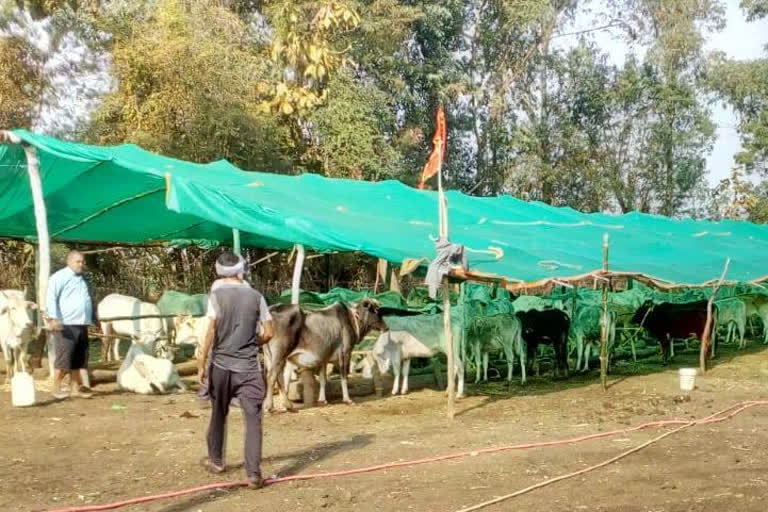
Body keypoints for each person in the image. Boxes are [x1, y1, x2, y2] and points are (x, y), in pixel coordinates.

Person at [198, 251, 273, 488]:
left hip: (220, 366)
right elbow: (269, 332)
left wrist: (202, 363)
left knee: (219, 413)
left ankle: (216, 461)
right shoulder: (257, 296)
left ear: (220, 272)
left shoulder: (216, 296)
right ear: (241, 271)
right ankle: (253, 474)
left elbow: (210, 331)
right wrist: (252, 342)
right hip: (249, 368)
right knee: (253, 420)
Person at [46, 250, 94, 400]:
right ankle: (56, 389)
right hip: (66, 324)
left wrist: (93, 319)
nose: (81, 264)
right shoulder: (59, 277)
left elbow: (88, 299)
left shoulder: (83, 278)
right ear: (69, 262)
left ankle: (74, 389)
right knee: (64, 358)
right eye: (78, 261)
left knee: (79, 359)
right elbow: (51, 297)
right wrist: (53, 318)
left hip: (82, 323)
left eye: (82, 261)